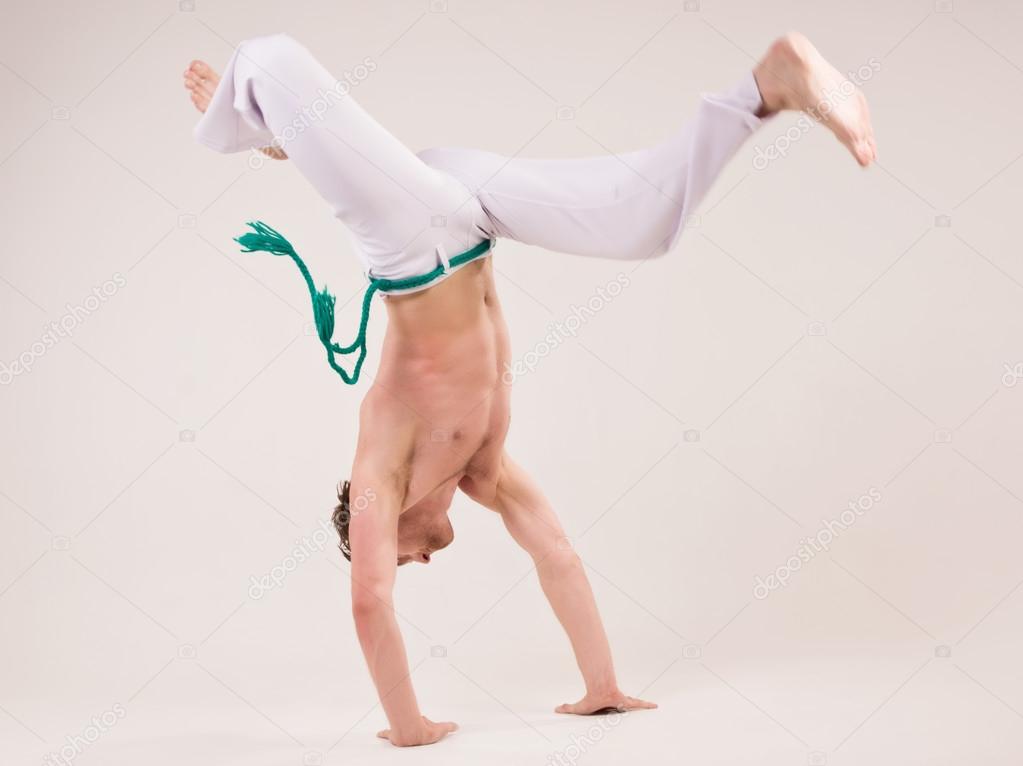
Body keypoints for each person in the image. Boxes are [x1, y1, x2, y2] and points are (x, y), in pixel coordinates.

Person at [185, 30, 875, 748]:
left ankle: (253, 113)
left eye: (399, 557)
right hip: (469, 215)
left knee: (271, 61)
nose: (418, 563)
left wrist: (408, 726)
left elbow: (367, 603)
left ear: (381, 535)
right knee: (644, 223)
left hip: (411, 242)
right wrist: (601, 687)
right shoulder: (484, 471)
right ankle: (766, 86)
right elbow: (557, 555)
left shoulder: (379, 472)